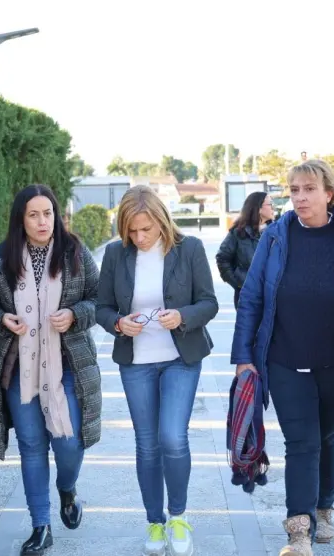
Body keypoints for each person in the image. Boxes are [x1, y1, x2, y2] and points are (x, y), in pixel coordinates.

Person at [231, 160, 334, 556]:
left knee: (326, 436)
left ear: (329, 194)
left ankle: (324, 506)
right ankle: (299, 529)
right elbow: (251, 298)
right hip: (284, 359)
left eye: (308, 189)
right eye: (294, 190)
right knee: (301, 441)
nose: (299, 197)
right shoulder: (274, 238)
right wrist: (243, 356)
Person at [0, 184, 102, 556]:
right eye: (33, 214)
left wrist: (75, 314)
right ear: (21, 219)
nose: (42, 221)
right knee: (31, 446)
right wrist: (2, 320)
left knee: (69, 443)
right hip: (20, 368)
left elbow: (100, 299)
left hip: (68, 365)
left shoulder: (74, 252)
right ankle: (41, 526)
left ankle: (67, 488)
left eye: (47, 213)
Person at [96, 185, 219, 556]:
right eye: (132, 230)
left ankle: (178, 517)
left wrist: (182, 316)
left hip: (181, 358)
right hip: (136, 362)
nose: (139, 237)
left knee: (172, 438)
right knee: (147, 444)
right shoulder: (115, 254)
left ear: (162, 221)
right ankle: (155, 521)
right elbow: (102, 308)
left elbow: (209, 303)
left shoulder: (190, 248)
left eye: (146, 229)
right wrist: (118, 323)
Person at [216, 191, 275, 305]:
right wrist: (239, 283)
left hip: (274, 296)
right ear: (258, 208)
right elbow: (222, 259)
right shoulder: (238, 233)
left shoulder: (277, 231)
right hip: (247, 298)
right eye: (270, 204)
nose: (273, 208)